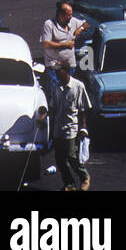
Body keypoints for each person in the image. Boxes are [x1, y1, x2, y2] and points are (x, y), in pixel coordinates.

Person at [40, 0, 90, 109]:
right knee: (55, 95)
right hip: (55, 67)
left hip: (69, 66)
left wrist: (80, 29)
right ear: (61, 15)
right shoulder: (49, 25)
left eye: (71, 14)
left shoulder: (72, 21)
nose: (70, 17)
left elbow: (86, 24)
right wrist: (64, 45)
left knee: (71, 93)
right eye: (68, 15)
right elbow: (46, 44)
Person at [50, 61, 91, 192]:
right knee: (60, 159)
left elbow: (83, 109)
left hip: (71, 128)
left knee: (71, 156)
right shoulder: (57, 87)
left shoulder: (78, 86)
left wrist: (83, 127)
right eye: (56, 73)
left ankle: (84, 177)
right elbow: (53, 108)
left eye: (59, 72)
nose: (57, 75)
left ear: (66, 71)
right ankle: (69, 184)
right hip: (58, 129)